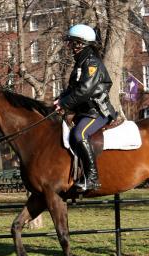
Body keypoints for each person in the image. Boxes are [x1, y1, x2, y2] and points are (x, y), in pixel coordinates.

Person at [54, 24, 117, 192]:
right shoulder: (81, 63)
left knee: (79, 133)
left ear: (81, 44)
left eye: (72, 43)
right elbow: (73, 88)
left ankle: (92, 178)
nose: (70, 47)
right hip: (84, 111)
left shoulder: (92, 63)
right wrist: (59, 99)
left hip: (96, 112)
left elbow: (85, 89)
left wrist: (65, 103)